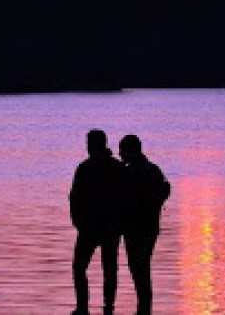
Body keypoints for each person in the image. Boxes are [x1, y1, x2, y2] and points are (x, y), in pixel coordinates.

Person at [69, 129, 126, 315]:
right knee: (94, 268)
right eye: (88, 143)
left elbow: (124, 198)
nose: (87, 146)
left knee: (98, 268)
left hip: (101, 227)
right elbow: (74, 198)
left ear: (98, 144)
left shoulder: (90, 168)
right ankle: (92, 307)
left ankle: (98, 308)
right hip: (93, 227)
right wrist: (78, 221)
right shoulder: (113, 167)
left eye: (90, 143)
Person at [118, 134, 170, 315]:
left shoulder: (132, 171)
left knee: (138, 266)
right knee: (142, 266)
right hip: (149, 227)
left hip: (136, 227)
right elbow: (165, 189)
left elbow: (125, 199)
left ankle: (144, 307)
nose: (120, 154)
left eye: (122, 150)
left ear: (130, 151)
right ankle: (144, 307)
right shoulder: (152, 169)